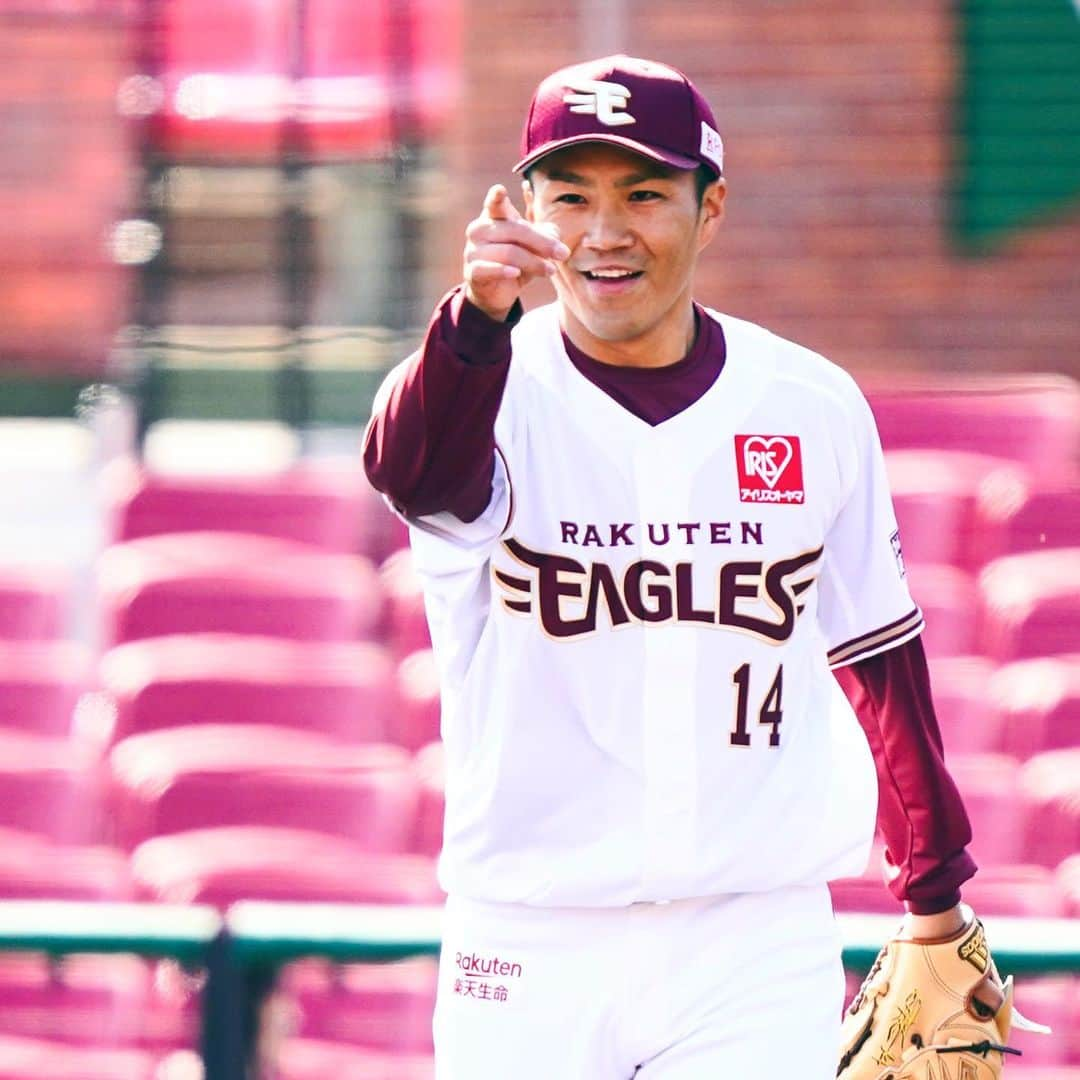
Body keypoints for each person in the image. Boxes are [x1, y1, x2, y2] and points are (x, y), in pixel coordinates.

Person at [363, 54, 985, 1079]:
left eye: (644, 194)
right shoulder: (475, 386)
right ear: (524, 210)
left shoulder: (809, 403)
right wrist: (476, 318)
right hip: (529, 934)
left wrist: (936, 896)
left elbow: (878, 658)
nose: (605, 232)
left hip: (751, 935)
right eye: (571, 197)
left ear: (710, 209)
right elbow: (413, 476)